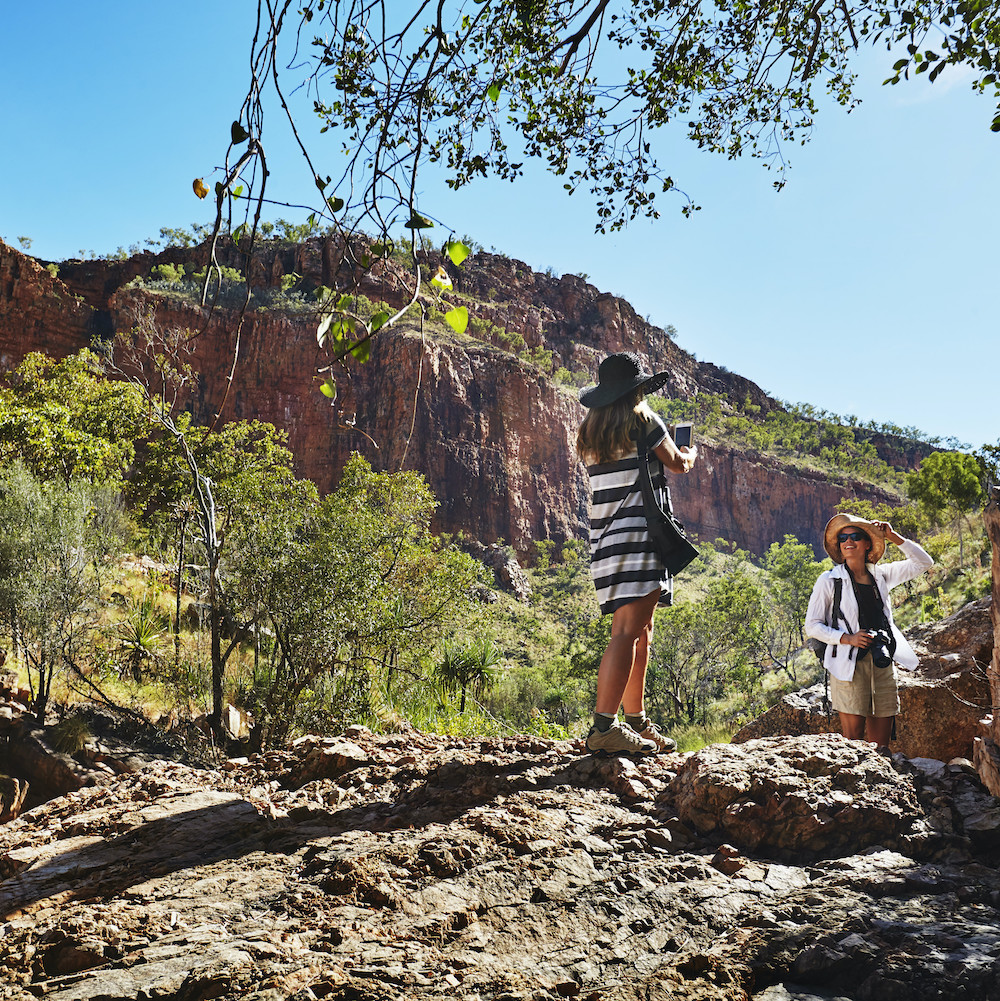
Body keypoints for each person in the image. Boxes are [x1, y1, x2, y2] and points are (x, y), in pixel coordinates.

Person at [576, 352, 698, 754]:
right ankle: (604, 728)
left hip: (606, 539)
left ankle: (636, 720)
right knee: (629, 633)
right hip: (641, 537)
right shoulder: (644, 421)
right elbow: (677, 465)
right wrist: (690, 454)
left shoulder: (591, 432)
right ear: (636, 390)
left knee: (638, 633)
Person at [805, 514, 933, 746]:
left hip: (882, 660)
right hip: (848, 664)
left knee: (880, 746)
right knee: (853, 742)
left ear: (867, 544)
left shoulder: (881, 575)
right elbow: (812, 626)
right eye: (843, 538)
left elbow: (924, 563)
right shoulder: (829, 580)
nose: (848, 541)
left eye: (856, 536)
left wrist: (893, 537)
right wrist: (847, 638)